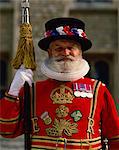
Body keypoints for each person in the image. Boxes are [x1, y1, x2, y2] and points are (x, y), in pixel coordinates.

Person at [0, 17, 119, 150]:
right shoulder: (33, 91)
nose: (65, 53)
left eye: (71, 48)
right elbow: (7, 130)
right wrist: (13, 91)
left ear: (80, 52)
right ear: (49, 53)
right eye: (58, 48)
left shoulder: (98, 90)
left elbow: (115, 136)